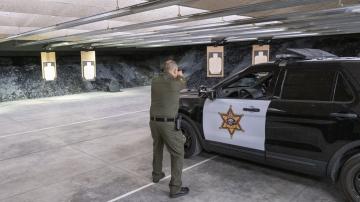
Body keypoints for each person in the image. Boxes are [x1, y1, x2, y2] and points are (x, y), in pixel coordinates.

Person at [149, 59, 189, 198]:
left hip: (154, 122)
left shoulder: (154, 80)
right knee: (178, 153)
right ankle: (175, 188)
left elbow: (164, 77)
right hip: (168, 124)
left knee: (157, 147)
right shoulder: (176, 82)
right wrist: (180, 75)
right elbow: (184, 83)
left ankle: (156, 175)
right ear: (173, 71)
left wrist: (173, 71)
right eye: (176, 71)